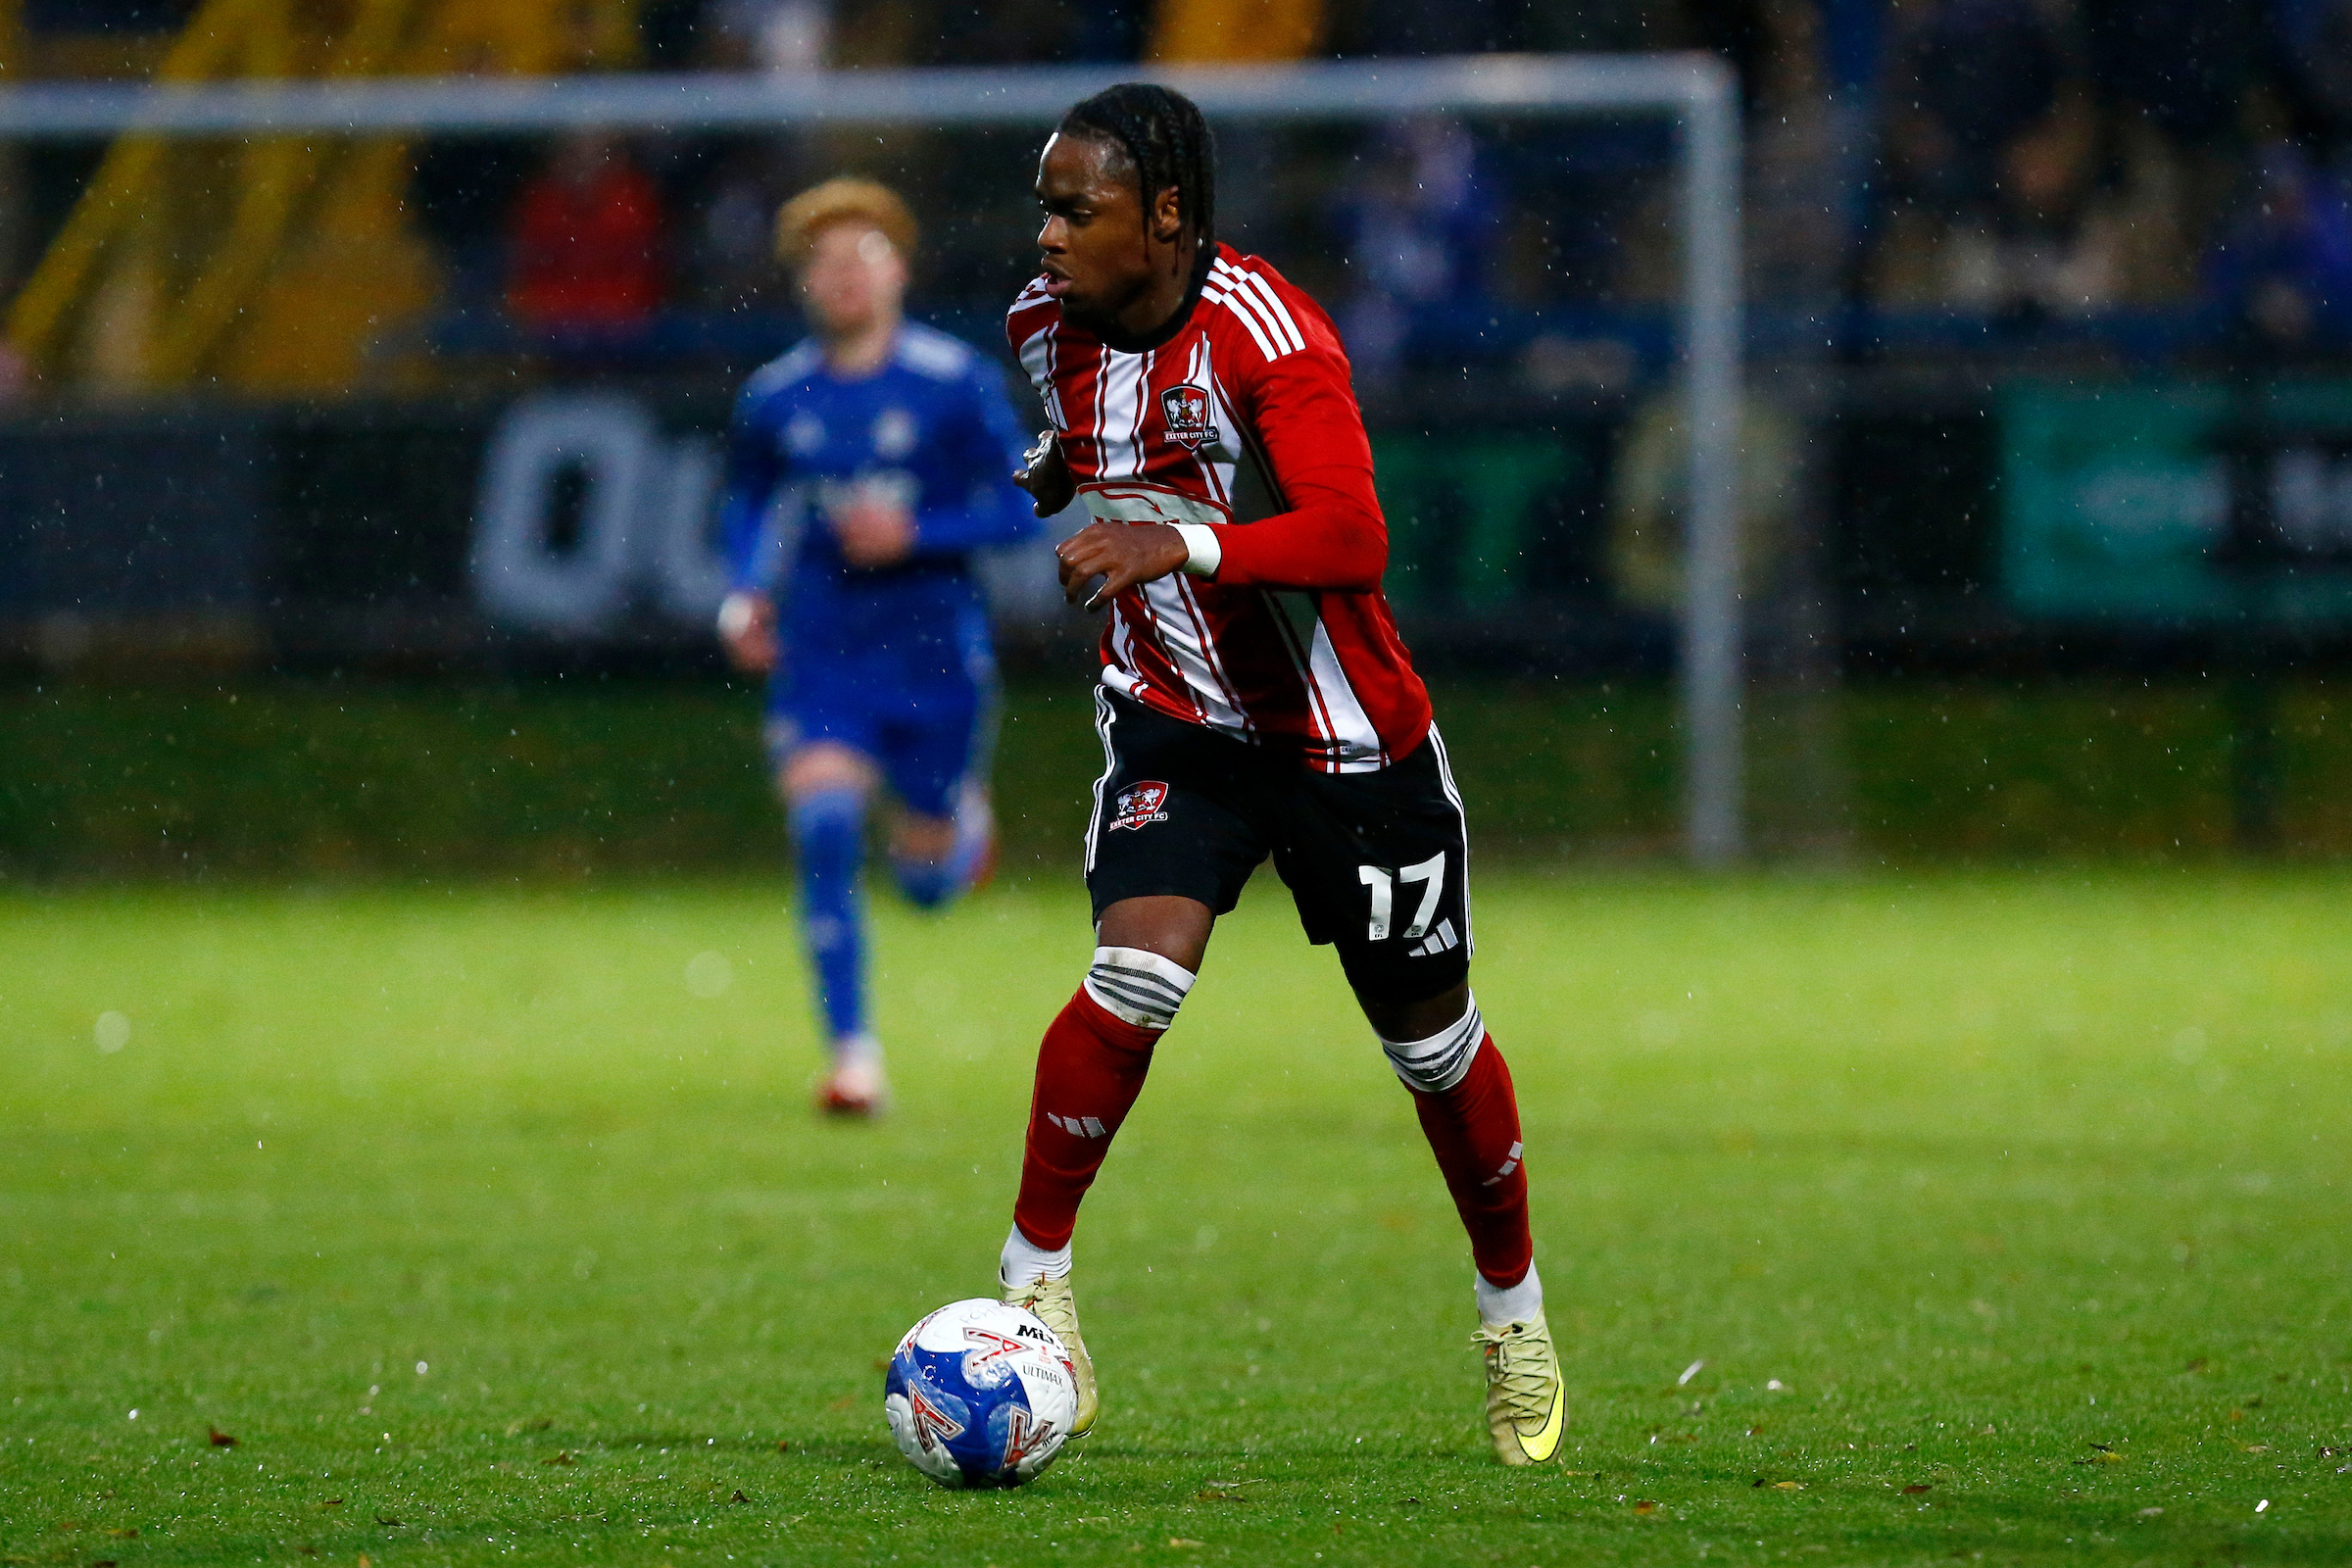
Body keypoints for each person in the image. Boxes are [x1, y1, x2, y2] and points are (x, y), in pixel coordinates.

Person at [994, 84, 1561, 1466]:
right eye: (1045, 207)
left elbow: (1352, 535)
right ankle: (1031, 1294)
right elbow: (1096, 454)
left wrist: (1171, 546)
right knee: (1136, 974)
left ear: (1168, 216)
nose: (1050, 236)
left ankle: (1514, 1312)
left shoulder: (1268, 335)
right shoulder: (1038, 330)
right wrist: (1062, 485)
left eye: (1081, 209)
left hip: (1348, 739)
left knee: (1430, 1047)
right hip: (1176, 722)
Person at [716, 177, 1037, 1116]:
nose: (844, 275)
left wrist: (920, 534)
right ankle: (853, 1056)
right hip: (825, 649)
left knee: (928, 886)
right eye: (824, 261)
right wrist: (742, 596)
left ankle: (955, 832)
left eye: (863, 256)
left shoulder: (951, 382)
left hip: (935, 653)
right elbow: (746, 502)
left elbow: (1023, 502)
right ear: (803, 283)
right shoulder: (776, 396)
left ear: (898, 270)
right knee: (822, 829)